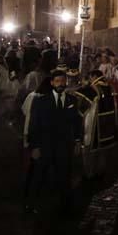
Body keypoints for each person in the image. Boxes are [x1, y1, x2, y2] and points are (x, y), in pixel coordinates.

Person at [25, 68, 82, 214]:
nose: (61, 84)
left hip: (64, 145)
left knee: (64, 175)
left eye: (63, 81)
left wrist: (77, 141)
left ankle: (65, 206)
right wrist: (35, 146)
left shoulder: (72, 100)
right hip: (45, 144)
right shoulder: (40, 101)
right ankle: (32, 203)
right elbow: (34, 124)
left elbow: (76, 122)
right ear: (52, 83)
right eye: (57, 81)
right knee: (39, 175)